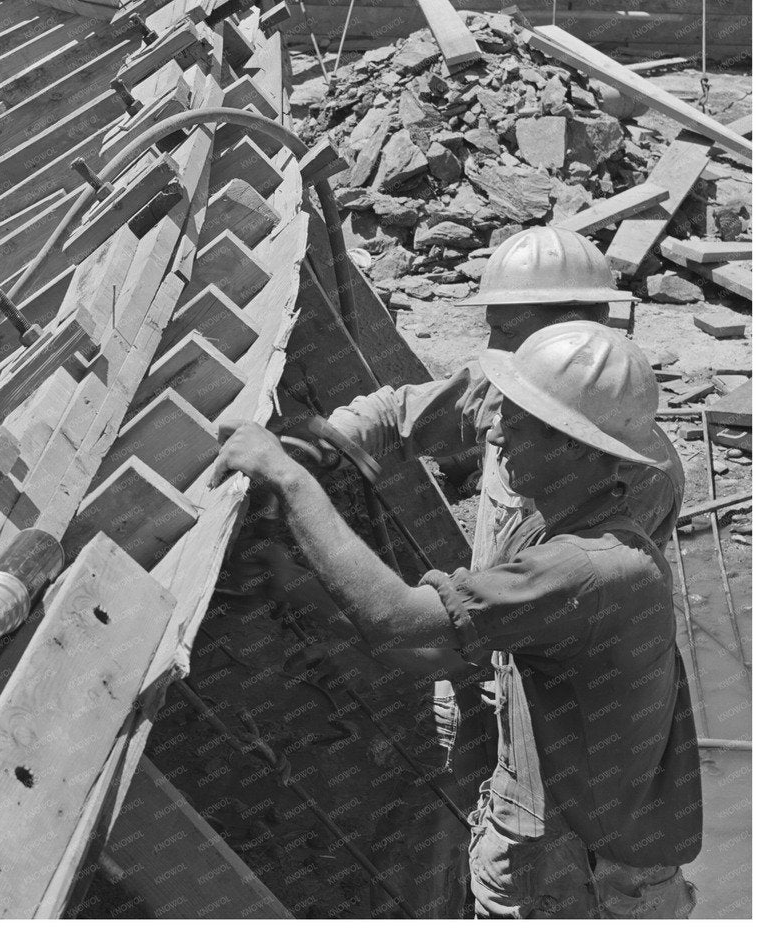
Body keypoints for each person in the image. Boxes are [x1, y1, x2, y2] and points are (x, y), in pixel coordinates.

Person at [212, 321, 702, 917]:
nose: (495, 433)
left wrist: (290, 481)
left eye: (517, 422)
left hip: (588, 885)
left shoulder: (587, 568)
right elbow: (427, 652)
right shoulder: (564, 527)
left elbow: (398, 622)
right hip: (541, 847)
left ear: (574, 446)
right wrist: (289, 571)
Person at [323, 226, 684, 914]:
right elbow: (403, 411)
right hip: (503, 674)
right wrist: (332, 440)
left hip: (561, 717)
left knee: (560, 876)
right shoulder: (512, 393)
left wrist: (293, 484)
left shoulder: (630, 476)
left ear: (574, 325)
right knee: (495, 842)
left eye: (507, 331)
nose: (496, 429)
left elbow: (411, 622)